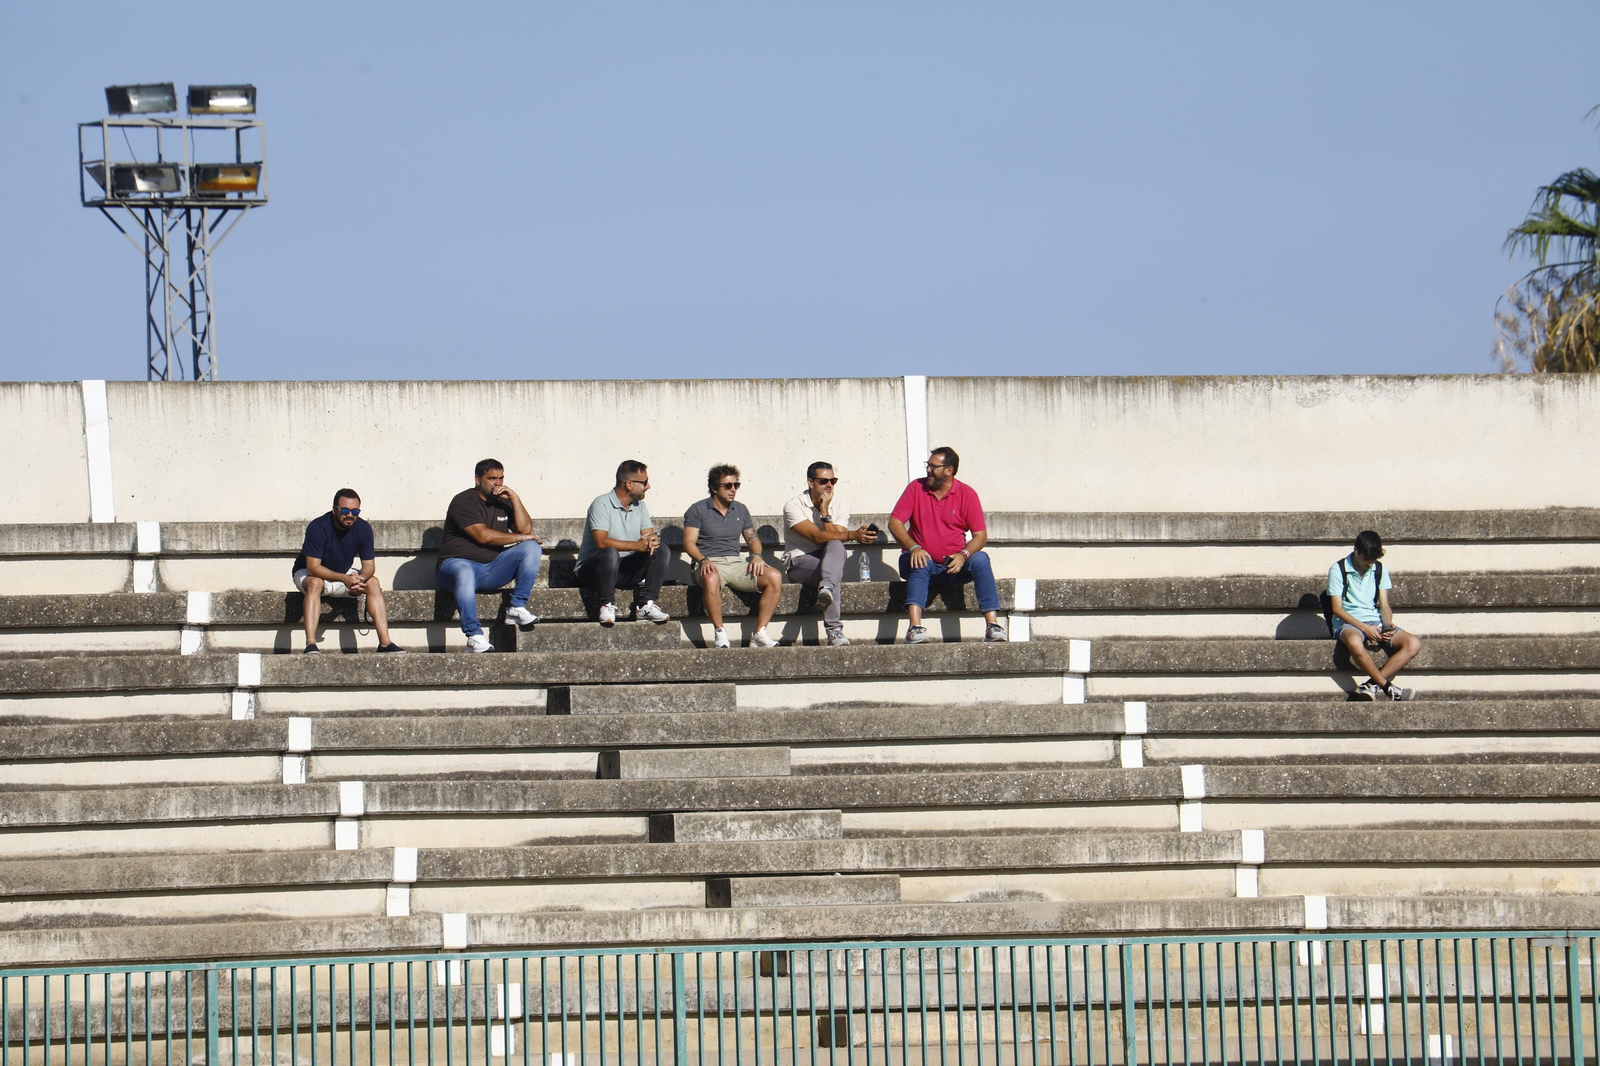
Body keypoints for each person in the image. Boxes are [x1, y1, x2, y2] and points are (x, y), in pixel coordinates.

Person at [888, 446, 1006, 645]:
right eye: (928, 465)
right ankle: (914, 629)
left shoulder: (967, 494)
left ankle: (992, 626)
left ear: (949, 470)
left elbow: (980, 536)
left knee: (981, 559)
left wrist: (963, 555)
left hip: (953, 567)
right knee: (921, 560)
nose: (928, 470)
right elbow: (895, 522)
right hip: (920, 563)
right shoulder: (916, 488)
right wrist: (913, 547)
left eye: (933, 467)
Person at [436, 459, 543, 653]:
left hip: (490, 569)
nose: (498, 483)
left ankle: (517, 607)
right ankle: (473, 635)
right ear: (478, 480)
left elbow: (526, 529)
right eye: (492, 478)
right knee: (464, 570)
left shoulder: (503, 501)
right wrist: (520, 537)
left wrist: (515, 498)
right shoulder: (463, 501)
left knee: (531, 547)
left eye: (501, 478)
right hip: (454, 569)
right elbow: (483, 536)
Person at [292, 488, 402, 654]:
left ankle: (385, 643)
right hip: (308, 573)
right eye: (345, 510)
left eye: (355, 511)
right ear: (334, 509)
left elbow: (369, 566)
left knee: (373, 582)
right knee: (315, 583)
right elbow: (313, 567)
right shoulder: (318, 527)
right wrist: (344, 578)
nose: (350, 515)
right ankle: (311, 643)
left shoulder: (363, 528)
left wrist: (359, 579)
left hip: (342, 574)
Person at [684, 464, 781, 648]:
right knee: (711, 579)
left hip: (736, 563)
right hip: (708, 562)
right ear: (714, 488)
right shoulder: (697, 509)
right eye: (727, 485)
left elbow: (753, 539)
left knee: (774, 576)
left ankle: (759, 633)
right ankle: (720, 633)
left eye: (736, 485)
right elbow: (689, 543)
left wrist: (757, 555)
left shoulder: (741, 509)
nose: (733, 489)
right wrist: (703, 560)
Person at [782, 461, 878, 647]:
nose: (829, 485)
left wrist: (825, 511)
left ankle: (827, 588)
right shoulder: (793, 506)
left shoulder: (840, 506)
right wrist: (851, 535)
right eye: (823, 481)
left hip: (828, 561)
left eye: (833, 481)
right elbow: (817, 537)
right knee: (833, 573)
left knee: (835, 546)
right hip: (800, 561)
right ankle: (834, 630)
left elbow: (835, 539)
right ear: (810, 482)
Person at [574, 460, 672, 627]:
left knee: (661, 549)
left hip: (624, 569)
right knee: (609, 552)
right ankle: (607, 604)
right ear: (629, 484)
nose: (648, 486)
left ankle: (646, 605)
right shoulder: (601, 504)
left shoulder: (640, 506)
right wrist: (636, 545)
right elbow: (601, 542)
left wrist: (652, 542)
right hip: (595, 571)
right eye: (645, 482)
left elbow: (649, 536)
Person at [1326, 530, 1421, 701]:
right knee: (1354, 643)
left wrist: (1388, 625)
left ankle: (1371, 685)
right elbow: (1337, 609)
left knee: (1413, 643)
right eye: (1366, 559)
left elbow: (1384, 605)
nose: (1369, 563)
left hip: (1374, 620)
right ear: (1356, 550)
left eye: (1373, 559)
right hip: (1348, 622)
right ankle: (1387, 687)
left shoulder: (1379, 569)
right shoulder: (1338, 569)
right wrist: (1365, 628)